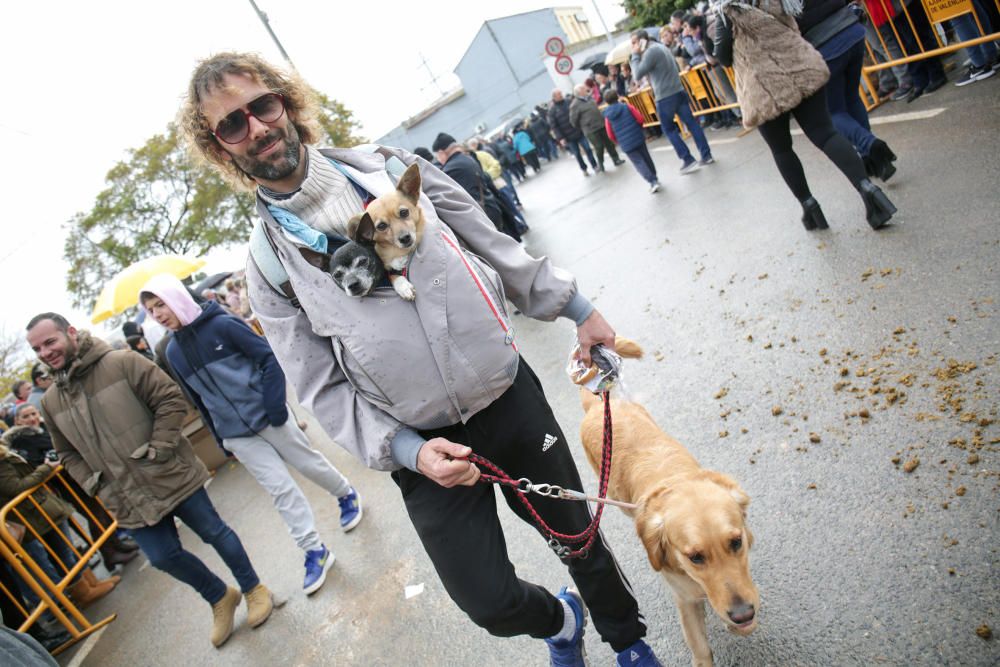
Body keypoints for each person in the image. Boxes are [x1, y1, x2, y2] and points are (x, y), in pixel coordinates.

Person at [180, 51, 661, 667]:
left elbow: (492, 242)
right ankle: (559, 620)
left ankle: (628, 641)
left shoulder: (393, 171)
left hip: (504, 396)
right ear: (221, 149)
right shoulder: (269, 267)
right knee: (485, 600)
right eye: (232, 124)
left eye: (262, 105)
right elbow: (320, 387)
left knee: (579, 539)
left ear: (287, 103)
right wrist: (408, 451)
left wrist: (576, 307)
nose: (257, 127)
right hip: (420, 445)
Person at [25, 313, 274, 648]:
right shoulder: (53, 401)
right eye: (37, 348)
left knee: (215, 532)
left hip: (168, 472)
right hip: (124, 494)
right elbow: (67, 453)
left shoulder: (121, 362)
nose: (44, 352)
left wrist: (159, 448)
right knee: (162, 557)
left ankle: (253, 588)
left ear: (70, 333)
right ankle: (219, 597)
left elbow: (170, 399)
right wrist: (94, 482)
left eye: (49, 341)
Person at [138, 274, 363, 595]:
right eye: (150, 310)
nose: (158, 314)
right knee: (280, 490)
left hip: (269, 416)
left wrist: (274, 406)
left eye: (161, 304)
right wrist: (220, 438)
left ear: (177, 298)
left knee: (309, 464)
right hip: (236, 435)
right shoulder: (172, 352)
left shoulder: (222, 324)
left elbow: (267, 358)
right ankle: (314, 550)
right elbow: (198, 400)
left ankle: (345, 494)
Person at [712, 0, 897, 230]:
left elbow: (723, 57)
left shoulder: (725, 11)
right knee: (826, 135)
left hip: (763, 87)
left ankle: (811, 208)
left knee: (782, 149)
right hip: (800, 67)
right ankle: (868, 190)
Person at [0, 433, 119, 608]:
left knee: (67, 550)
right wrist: (46, 468)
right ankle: (83, 593)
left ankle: (91, 584)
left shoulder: (5, 454)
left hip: (40, 508)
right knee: (62, 554)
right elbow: (16, 487)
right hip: (33, 514)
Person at [797, 0, 898, 181]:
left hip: (824, 45)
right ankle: (872, 159)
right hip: (851, 31)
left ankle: (871, 145)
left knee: (833, 113)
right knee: (851, 99)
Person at [630, 29, 715, 174]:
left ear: (642, 41)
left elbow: (637, 74)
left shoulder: (650, 52)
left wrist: (635, 56)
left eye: (634, 42)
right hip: (678, 90)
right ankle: (706, 155)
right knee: (692, 124)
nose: (633, 46)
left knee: (668, 129)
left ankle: (687, 159)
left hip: (665, 96)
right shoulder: (661, 47)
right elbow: (675, 67)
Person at [432, 132, 522, 241]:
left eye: (437, 155)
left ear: (441, 152)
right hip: (491, 208)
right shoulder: (468, 158)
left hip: (482, 217)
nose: (438, 158)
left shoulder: (451, 169)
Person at [603, 90, 662, 193]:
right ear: (617, 96)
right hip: (638, 136)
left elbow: (610, 134)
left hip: (625, 143)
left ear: (606, 102)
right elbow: (640, 118)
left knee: (638, 162)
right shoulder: (627, 106)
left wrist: (618, 141)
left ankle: (652, 181)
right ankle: (655, 177)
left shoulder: (607, 116)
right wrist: (638, 128)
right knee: (646, 157)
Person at [569, 84, 625, 173]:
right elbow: (573, 121)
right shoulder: (575, 105)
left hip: (601, 124)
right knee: (599, 146)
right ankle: (601, 163)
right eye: (584, 89)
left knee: (609, 143)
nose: (586, 89)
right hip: (590, 130)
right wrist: (585, 125)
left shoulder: (589, 98)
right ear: (579, 92)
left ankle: (616, 159)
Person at [547, 89, 599, 176]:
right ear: (554, 97)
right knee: (577, 153)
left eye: (561, 93)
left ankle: (595, 165)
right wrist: (561, 138)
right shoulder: (552, 111)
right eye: (559, 94)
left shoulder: (569, 102)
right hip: (568, 137)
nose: (561, 95)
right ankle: (584, 168)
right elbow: (554, 126)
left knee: (588, 149)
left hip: (579, 131)